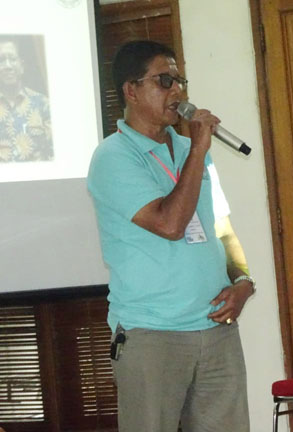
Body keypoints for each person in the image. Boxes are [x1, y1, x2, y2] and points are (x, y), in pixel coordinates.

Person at [87, 41, 253, 432]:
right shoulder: (113, 157)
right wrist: (197, 149)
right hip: (152, 335)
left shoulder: (193, 151)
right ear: (131, 90)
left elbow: (221, 227)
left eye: (179, 80)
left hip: (216, 332)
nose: (177, 91)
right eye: (164, 80)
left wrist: (244, 281)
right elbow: (170, 224)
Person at [0, 37, 52, 162]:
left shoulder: (43, 104)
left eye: (12, 59)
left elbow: (54, 153)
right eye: (1, 60)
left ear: (22, 66)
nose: (8, 66)